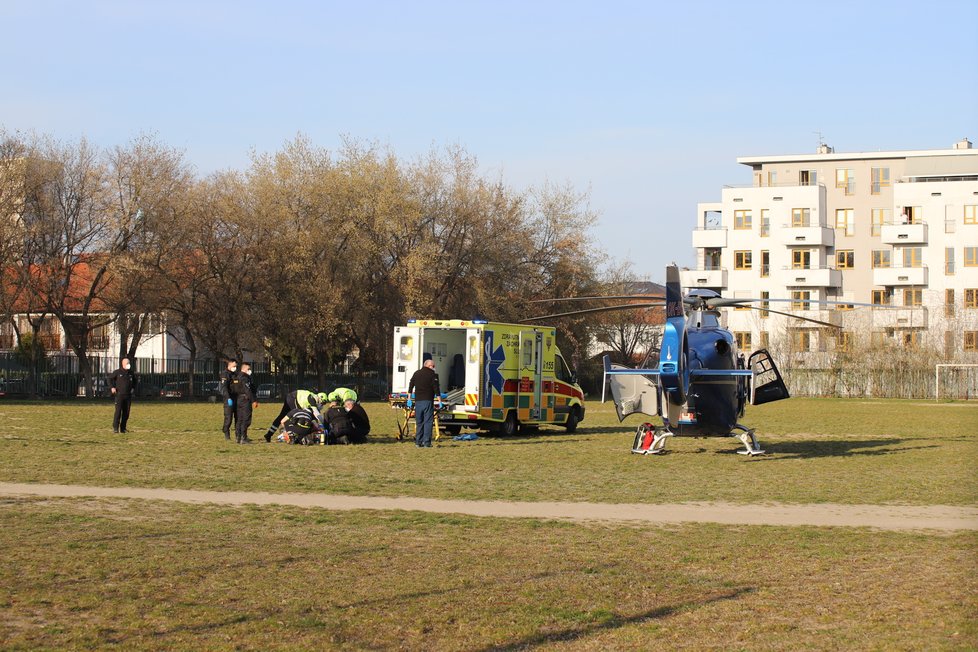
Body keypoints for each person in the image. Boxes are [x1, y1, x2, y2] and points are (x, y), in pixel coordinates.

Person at [408, 359, 440, 448]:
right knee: (428, 422)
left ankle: (418, 442)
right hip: (428, 401)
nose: (434, 368)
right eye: (433, 366)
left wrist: (409, 398)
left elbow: (411, 385)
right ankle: (427, 442)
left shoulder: (417, 373)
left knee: (419, 422)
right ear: (429, 366)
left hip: (418, 402)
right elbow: (436, 389)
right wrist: (440, 401)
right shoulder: (433, 375)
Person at [108, 358, 137, 434]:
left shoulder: (131, 373)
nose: (128, 364)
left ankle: (123, 428)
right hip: (119, 395)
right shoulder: (117, 372)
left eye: (129, 363)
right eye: (127, 363)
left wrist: (133, 388)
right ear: (123, 364)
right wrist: (112, 387)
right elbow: (109, 379)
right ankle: (115, 428)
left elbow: (135, 381)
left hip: (128, 396)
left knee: (126, 413)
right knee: (118, 412)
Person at [232, 361, 258, 444]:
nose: (250, 370)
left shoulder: (236, 377)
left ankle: (238, 437)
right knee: (246, 419)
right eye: (248, 369)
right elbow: (248, 390)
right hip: (245, 399)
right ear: (244, 369)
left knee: (239, 419)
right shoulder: (244, 378)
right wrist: (253, 400)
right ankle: (244, 437)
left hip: (238, 399)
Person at [218, 359, 238, 440]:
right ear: (229, 365)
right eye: (234, 366)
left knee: (238, 417)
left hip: (236, 398)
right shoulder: (224, 374)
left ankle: (238, 435)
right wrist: (228, 398)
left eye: (236, 366)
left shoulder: (235, 374)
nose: (235, 368)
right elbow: (224, 388)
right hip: (228, 399)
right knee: (228, 418)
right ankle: (226, 431)